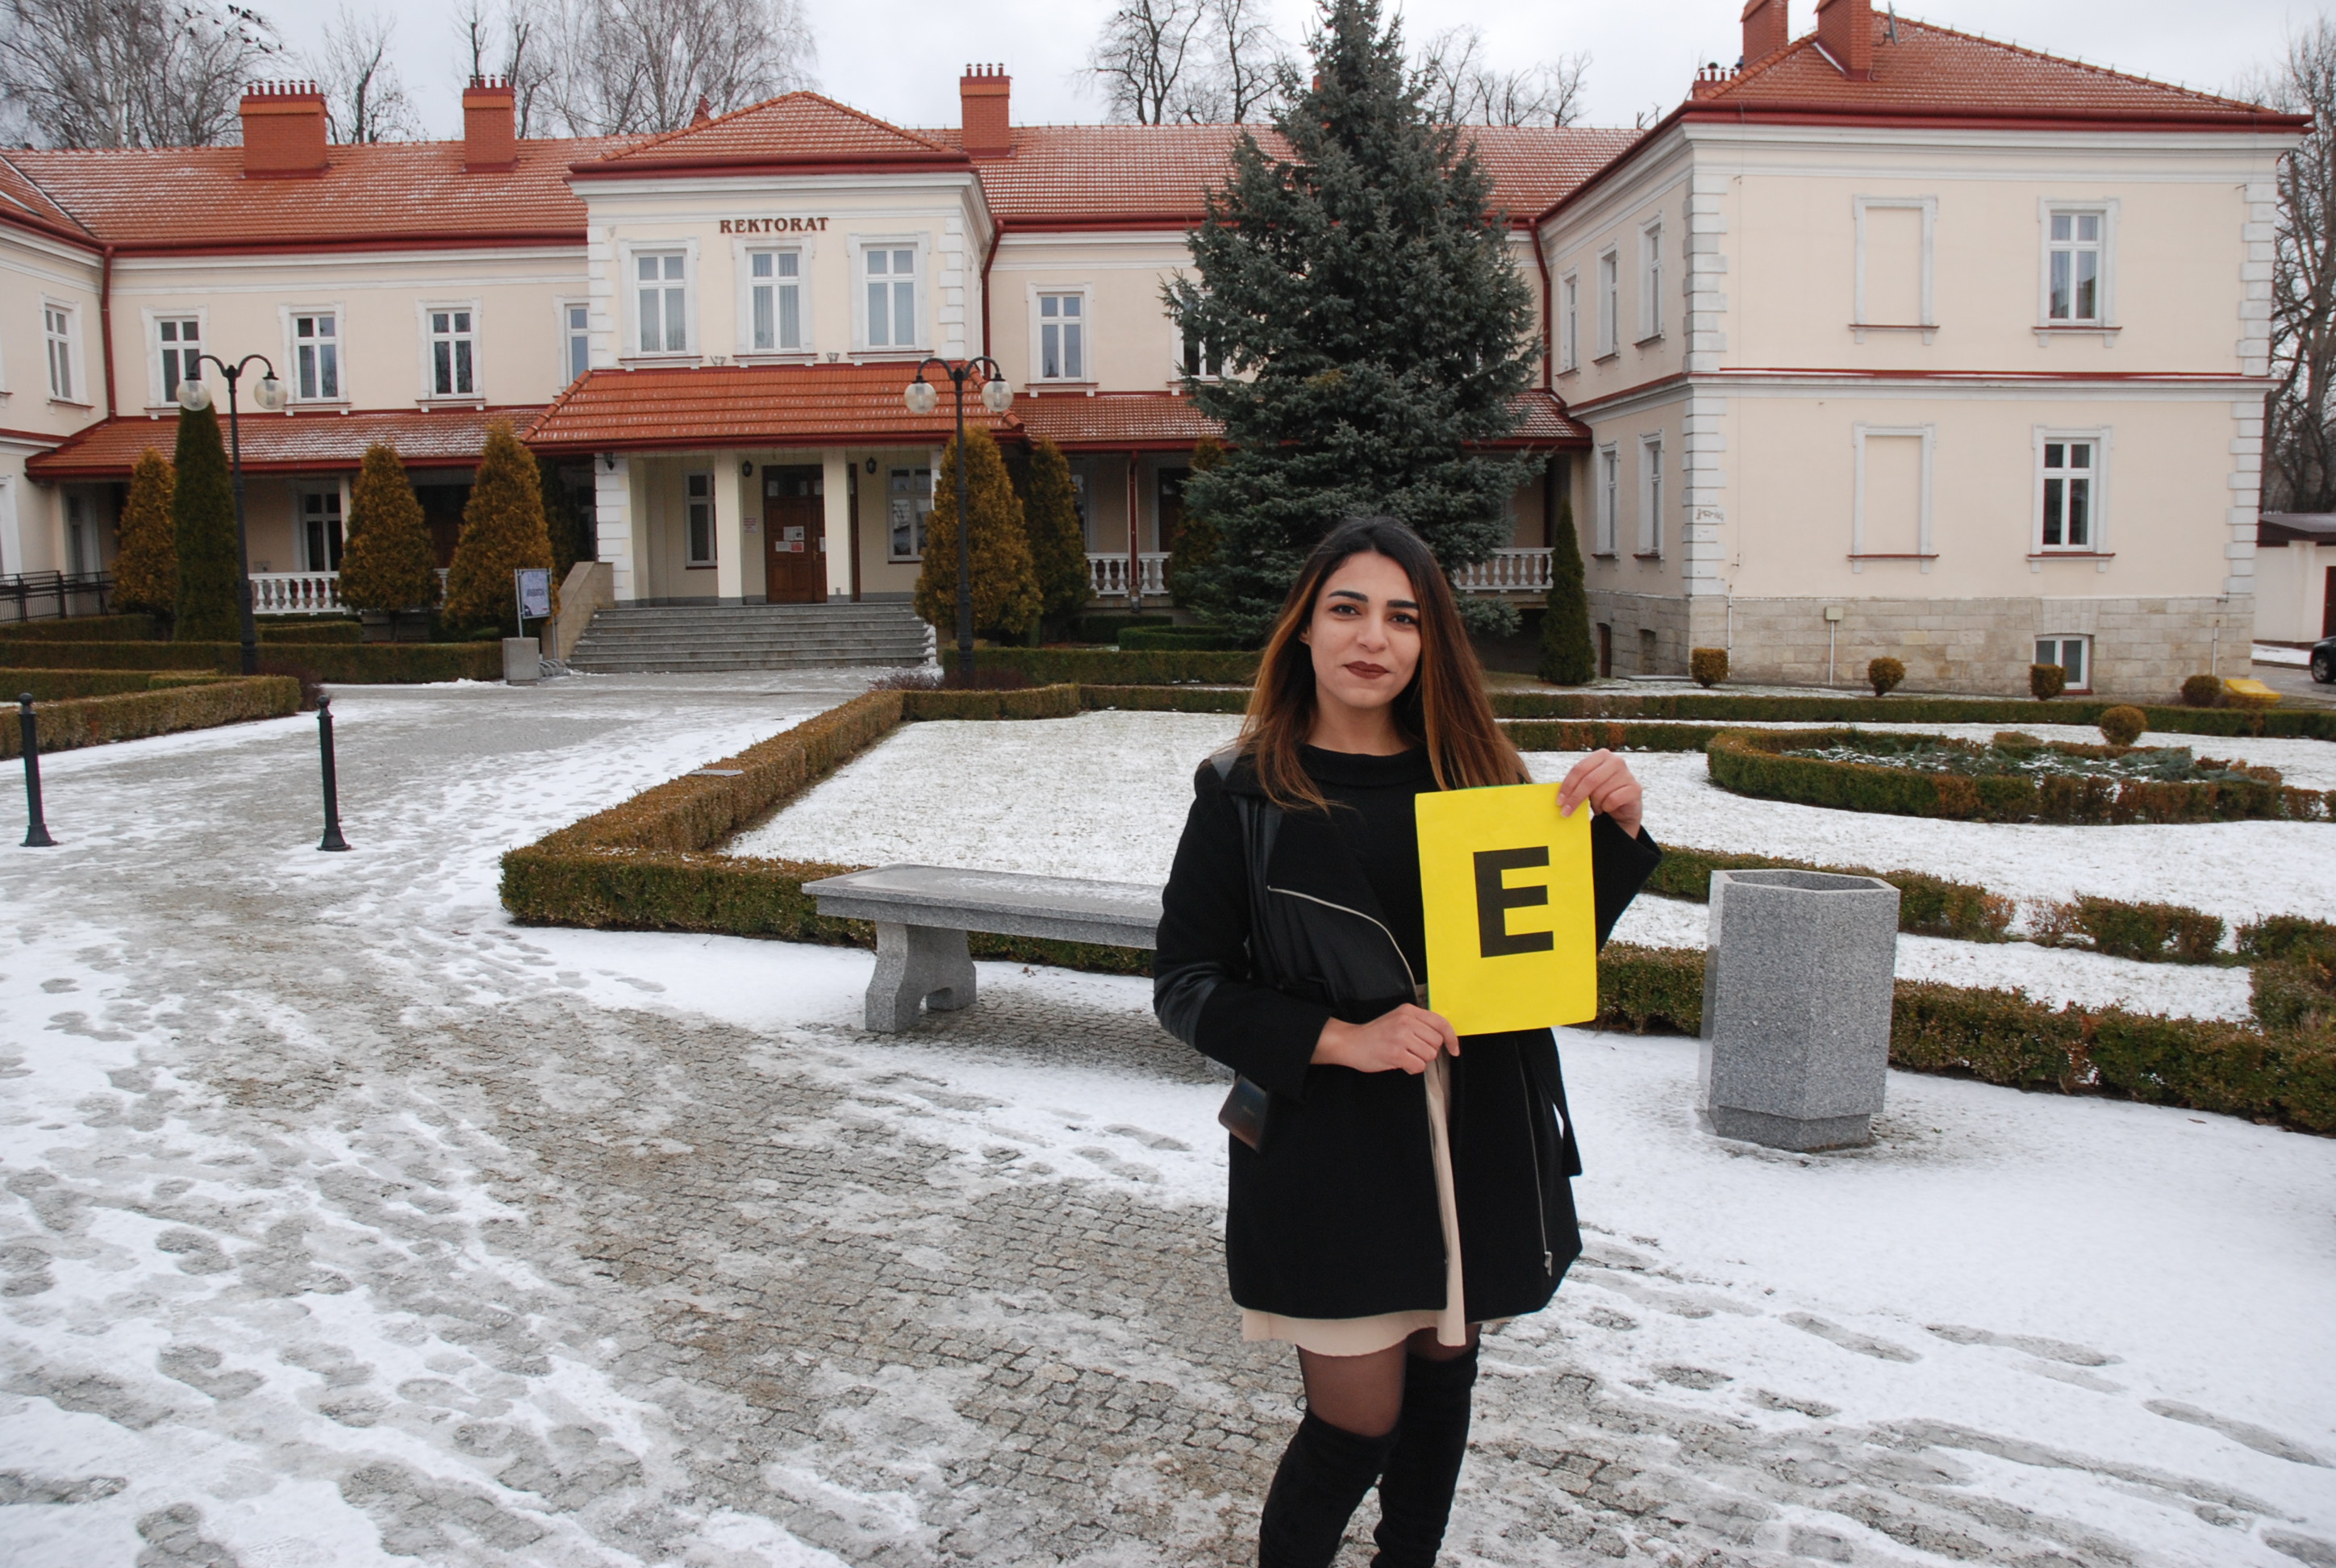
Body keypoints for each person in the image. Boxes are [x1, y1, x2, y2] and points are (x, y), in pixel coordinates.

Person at [1153, 517, 1661, 1567]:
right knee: (1356, 1423)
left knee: (1441, 1389)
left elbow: (1536, 962)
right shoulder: (1244, 794)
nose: (1373, 637)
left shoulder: (1476, 777)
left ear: (1431, 643)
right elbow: (1187, 987)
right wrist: (1341, 1038)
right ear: (1304, 628)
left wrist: (1615, 836)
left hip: (1476, 1123)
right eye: (1347, 609)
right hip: (1331, 1142)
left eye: (1404, 616)